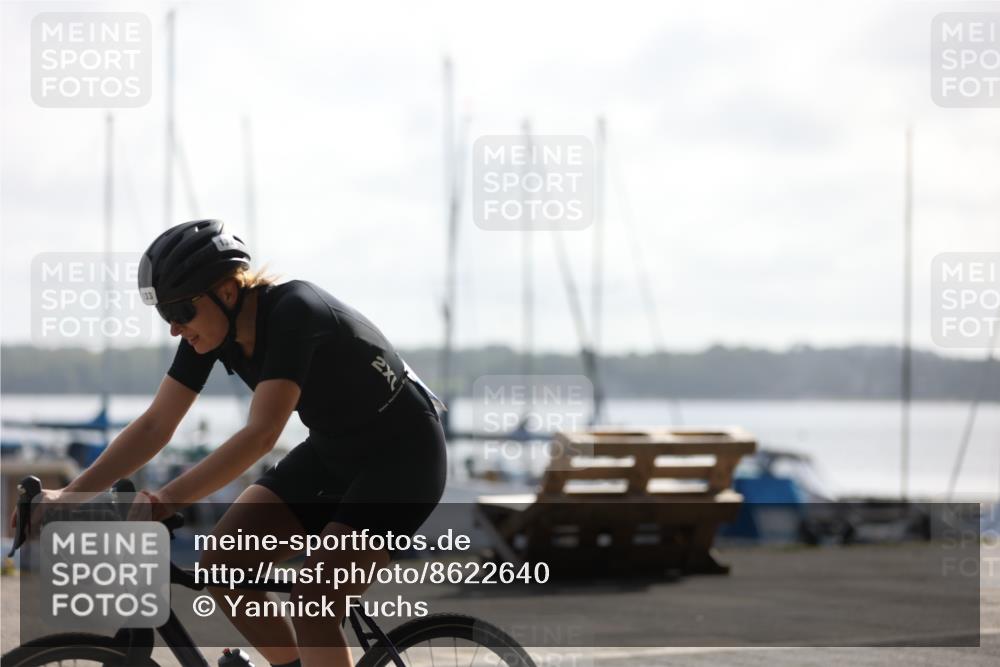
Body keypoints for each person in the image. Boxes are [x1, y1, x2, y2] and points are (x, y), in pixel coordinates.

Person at [17, 219, 448, 667]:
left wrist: (167, 497)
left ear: (225, 292)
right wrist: (69, 494)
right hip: (333, 453)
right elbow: (155, 426)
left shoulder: (294, 312)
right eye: (166, 316)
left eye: (181, 312)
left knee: (313, 598)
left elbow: (261, 436)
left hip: (403, 459)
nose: (174, 328)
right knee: (223, 562)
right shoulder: (211, 335)